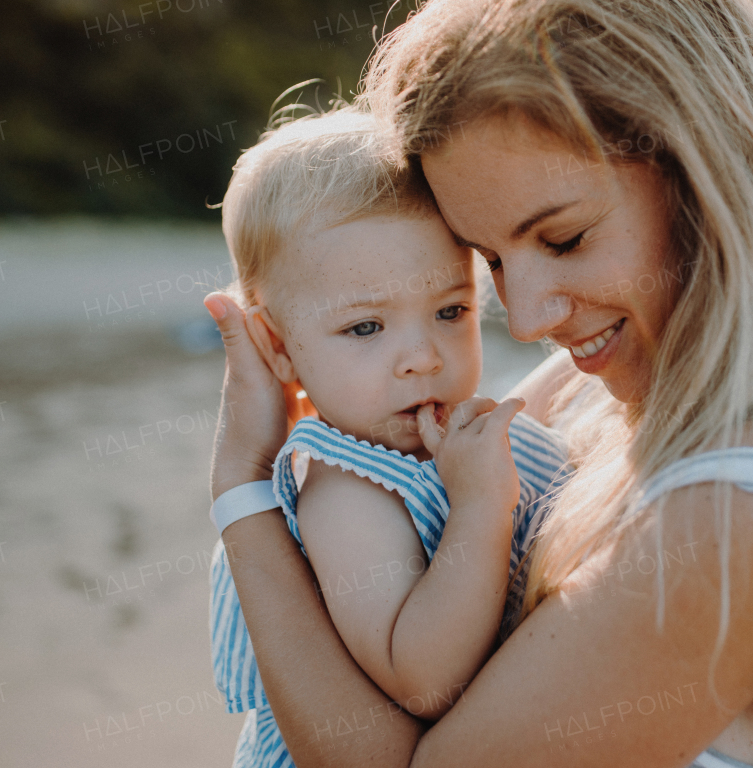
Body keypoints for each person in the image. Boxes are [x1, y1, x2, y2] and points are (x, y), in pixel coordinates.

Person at [203, 0, 753, 765]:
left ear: (711, 172)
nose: (525, 320)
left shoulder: (749, 515)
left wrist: (241, 491)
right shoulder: (606, 395)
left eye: (565, 238)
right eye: (496, 262)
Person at [205, 105, 571, 767]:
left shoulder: (446, 442)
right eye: (366, 328)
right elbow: (424, 678)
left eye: (449, 311)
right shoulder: (348, 490)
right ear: (278, 348)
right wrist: (481, 509)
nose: (422, 357)